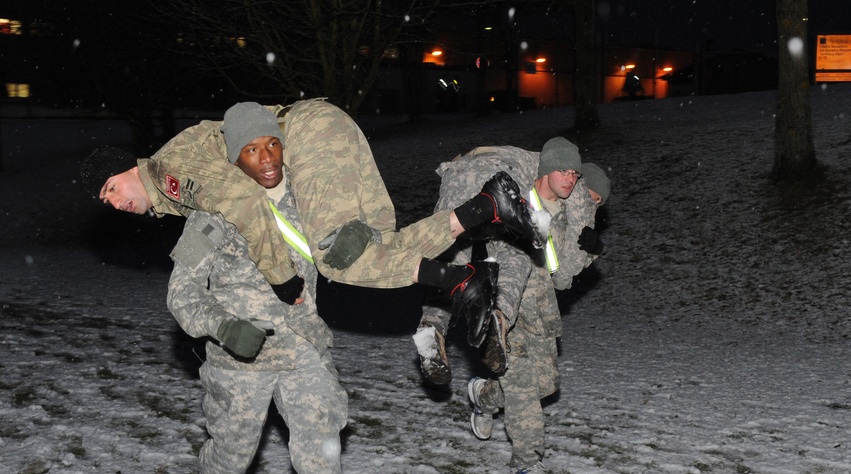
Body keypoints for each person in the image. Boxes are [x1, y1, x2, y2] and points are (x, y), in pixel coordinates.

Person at [82, 99, 544, 343]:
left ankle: (461, 282)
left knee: (337, 261)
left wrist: (281, 279)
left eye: (111, 191)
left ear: (123, 170)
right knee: (376, 251)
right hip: (320, 127)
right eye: (107, 202)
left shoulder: (168, 173)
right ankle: (488, 205)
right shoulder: (174, 177)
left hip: (304, 136)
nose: (115, 204)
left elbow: (244, 205)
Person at [164, 107, 350, 474]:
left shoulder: (308, 199)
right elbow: (180, 295)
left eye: (273, 144)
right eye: (252, 149)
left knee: (322, 460)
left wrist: (358, 246)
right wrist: (223, 326)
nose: (266, 158)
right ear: (235, 157)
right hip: (237, 358)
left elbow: (345, 251)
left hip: (302, 350)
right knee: (231, 459)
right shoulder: (213, 212)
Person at [419, 138, 610, 474]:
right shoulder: (519, 194)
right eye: (589, 195)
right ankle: (527, 460)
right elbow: (495, 250)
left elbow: (563, 278)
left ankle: (483, 396)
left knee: (545, 384)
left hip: (541, 308)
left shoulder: (567, 212)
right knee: (522, 386)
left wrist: (588, 252)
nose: (588, 202)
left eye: (596, 202)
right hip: (507, 296)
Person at [413, 141, 609, 384]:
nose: (571, 179)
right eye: (594, 199)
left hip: (458, 173)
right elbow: (562, 275)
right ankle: (500, 318)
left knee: (452, 253)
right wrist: (586, 251)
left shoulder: (537, 160)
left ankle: (432, 326)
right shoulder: (575, 189)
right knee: (519, 252)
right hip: (498, 183)